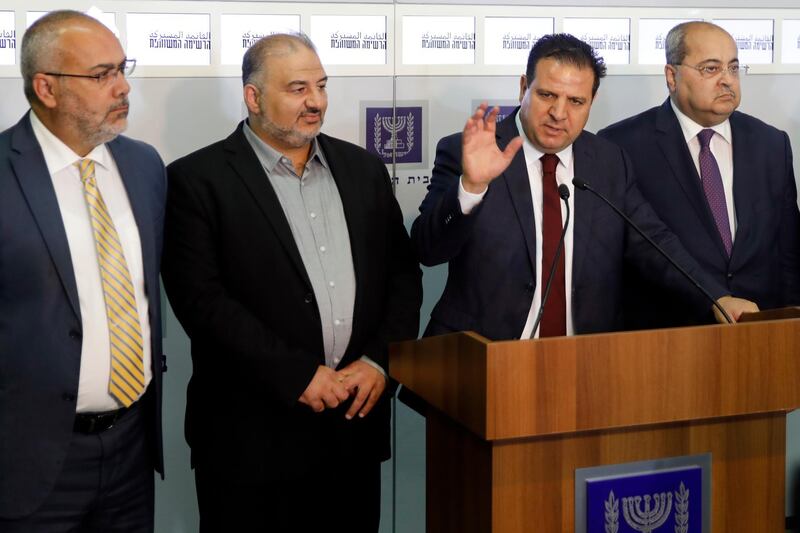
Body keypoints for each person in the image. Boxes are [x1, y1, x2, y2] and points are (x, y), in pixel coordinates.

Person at [161, 33, 422, 532]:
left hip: (353, 429)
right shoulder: (198, 180)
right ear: (253, 97)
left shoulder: (364, 169)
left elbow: (402, 276)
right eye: (298, 88)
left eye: (321, 86)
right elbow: (202, 303)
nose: (316, 102)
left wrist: (377, 360)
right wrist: (298, 374)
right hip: (251, 443)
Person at [411, 33, 756, 341]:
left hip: (585, 368)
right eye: (547, 95)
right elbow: (427, 249)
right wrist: (471, 186)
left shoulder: (607, 162)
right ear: (523, 88)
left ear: (592, 101)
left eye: (576, 101)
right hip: (481, 364)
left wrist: (715, 297)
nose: (559, 113)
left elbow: (656, 244)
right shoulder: (472, 151)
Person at [0, 10, 166, 532]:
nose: (123, 87)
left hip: (131, 451)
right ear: (46, 87)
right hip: (28, 460)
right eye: (101, 75)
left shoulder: (144, 166)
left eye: (122, 68)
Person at [598, 21, 800, 329]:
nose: (727, 81)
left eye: (733, 68)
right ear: (671, 76)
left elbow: (787, 253)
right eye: (710, 69)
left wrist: (788, 325)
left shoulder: (771, 144)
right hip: (667, 339)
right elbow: (623, 254)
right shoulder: (623, 145)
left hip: (760, 335)